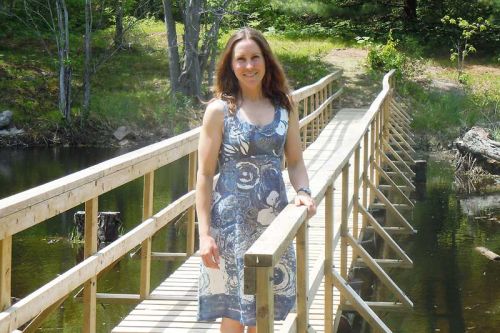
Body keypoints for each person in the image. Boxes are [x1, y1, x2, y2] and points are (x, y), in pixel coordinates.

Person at [196, 27, 316, 333]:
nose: (249, 66)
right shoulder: (219, 111)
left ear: (266, 61)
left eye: (255, 58)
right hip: (231, 225)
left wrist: (303, 191)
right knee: (235, 313)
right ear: (231, 65)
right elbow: (205, 175)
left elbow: (296, 160)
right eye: (241, 59)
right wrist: (205, 234)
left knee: (264, 310)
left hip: (272, 222)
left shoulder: (284, 105)